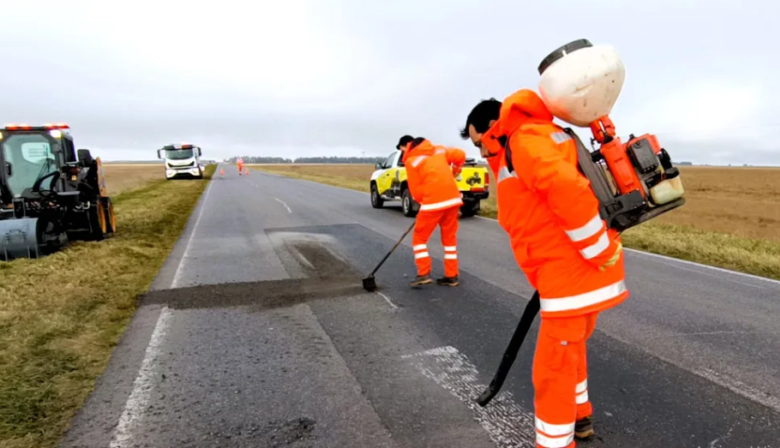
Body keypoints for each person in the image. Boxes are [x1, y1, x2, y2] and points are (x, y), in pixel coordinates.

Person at [460, 90, 627, 448]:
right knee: (571, 351)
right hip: (572, 275)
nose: (481, 152)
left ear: (493, 128)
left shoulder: (523, 141)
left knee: (551, 371)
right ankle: (580, 417)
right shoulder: (532, 139)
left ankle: (555, 442)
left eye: (479, 142)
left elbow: (565, 187)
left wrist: (597, 248)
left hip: (573, 275)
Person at [398, 135, 466, 287]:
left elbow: (415, 190)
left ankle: (423, 273)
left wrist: (424, 203)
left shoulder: (411, 161)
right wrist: (455, 170)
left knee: (419, 238)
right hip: (453, 200)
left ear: (409, 147)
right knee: (449, 240)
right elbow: (460, 155)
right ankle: (451, 275)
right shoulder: (440, 150)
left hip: (432, 203)